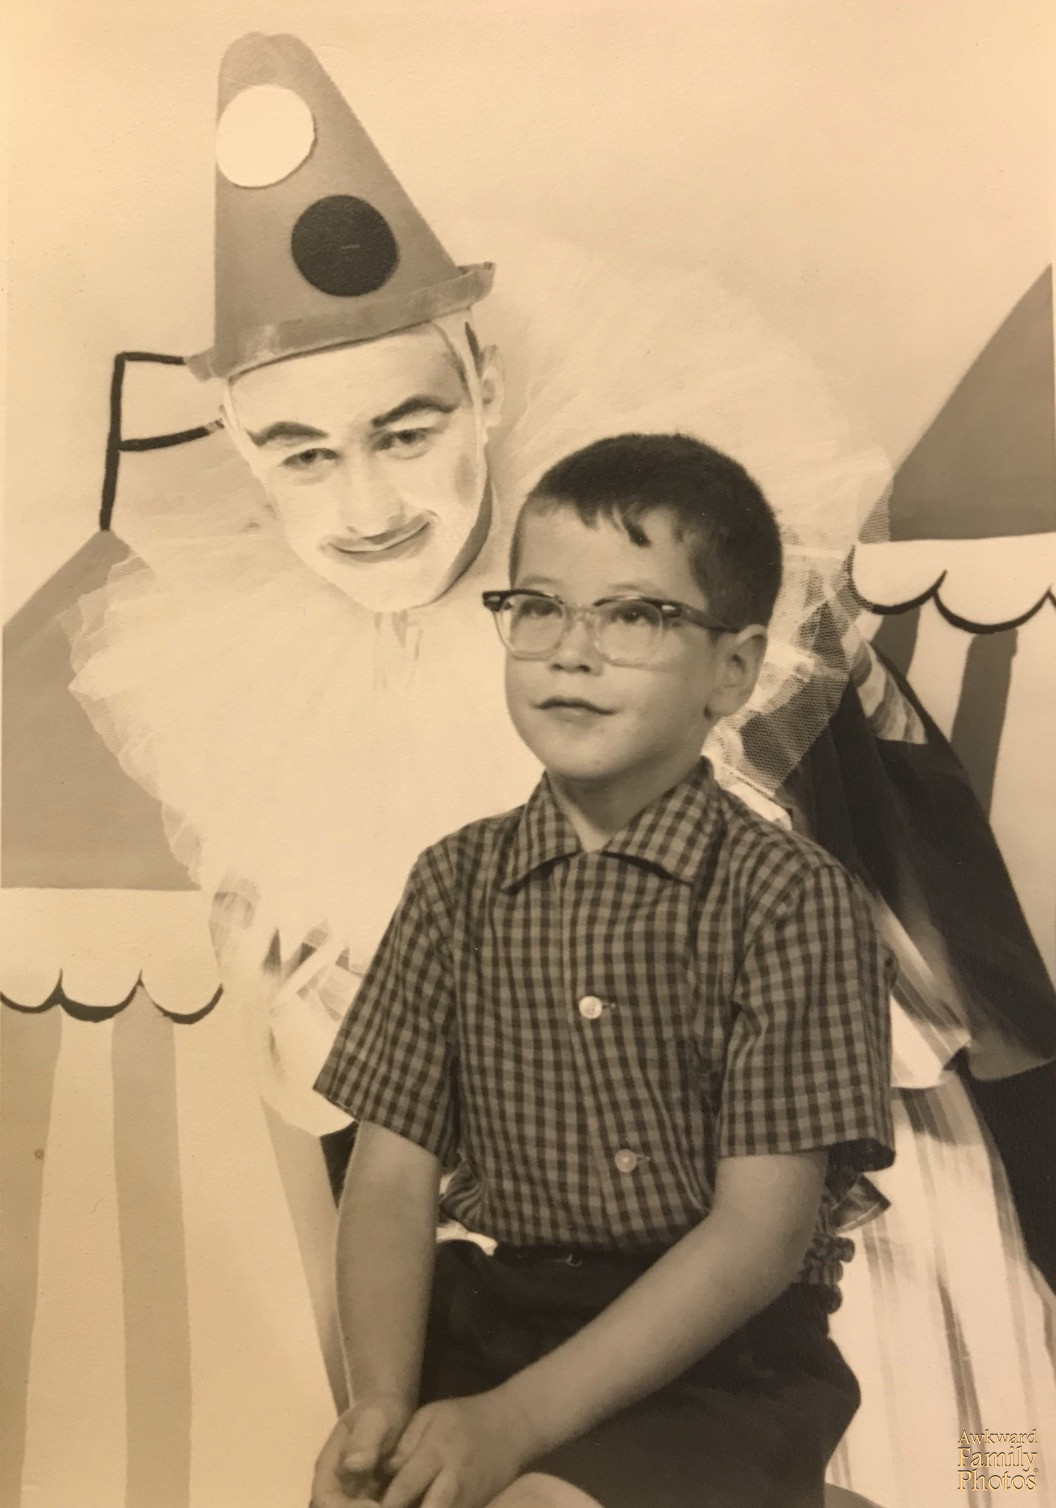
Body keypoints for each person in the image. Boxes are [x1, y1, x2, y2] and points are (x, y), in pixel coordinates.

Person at [64, 30, 1056, 1508]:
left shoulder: (659, 620)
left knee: (934, 1462)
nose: (369, 503)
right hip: (538, 1284)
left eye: (406, 429)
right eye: (302, 453)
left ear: (479, 379)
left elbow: (872, 1021)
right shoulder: (276, 722)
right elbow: (383, 1138)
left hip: (802, 1243)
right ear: (240, 447)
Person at [310, 433, 896, 1508]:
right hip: (502, 1322)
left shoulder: (789, 897)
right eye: (539, 607)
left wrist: (516, 1424)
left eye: (634, 615)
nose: (571, 653)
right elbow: (388, 1179)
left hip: (724, 1358)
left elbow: (757, 1238)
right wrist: (379, 1401)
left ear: (733, 668)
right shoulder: (452, 882)